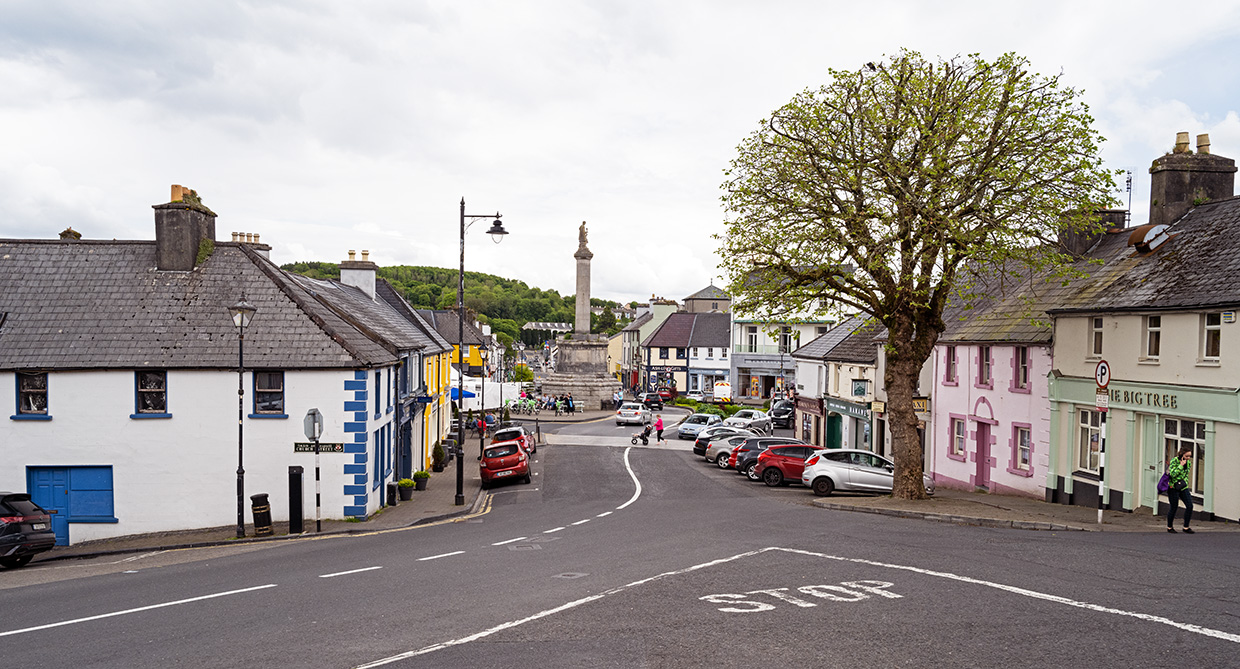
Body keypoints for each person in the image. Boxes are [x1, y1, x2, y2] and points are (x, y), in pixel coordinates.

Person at [1167, 446, 1195, 533]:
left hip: (1183, 487)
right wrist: (1180, 466)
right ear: (1182, 454)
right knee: (1174, 507)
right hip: (1173, 487)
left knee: (1190, 505)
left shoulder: (1188, 463)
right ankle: (1170, 527)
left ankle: (1186, 527)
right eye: (1187, 456)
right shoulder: (1174, 461)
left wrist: (1185, 483)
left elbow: (1186, 475)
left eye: (1190, 456)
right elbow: (1172, 474)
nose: (1188, 458)